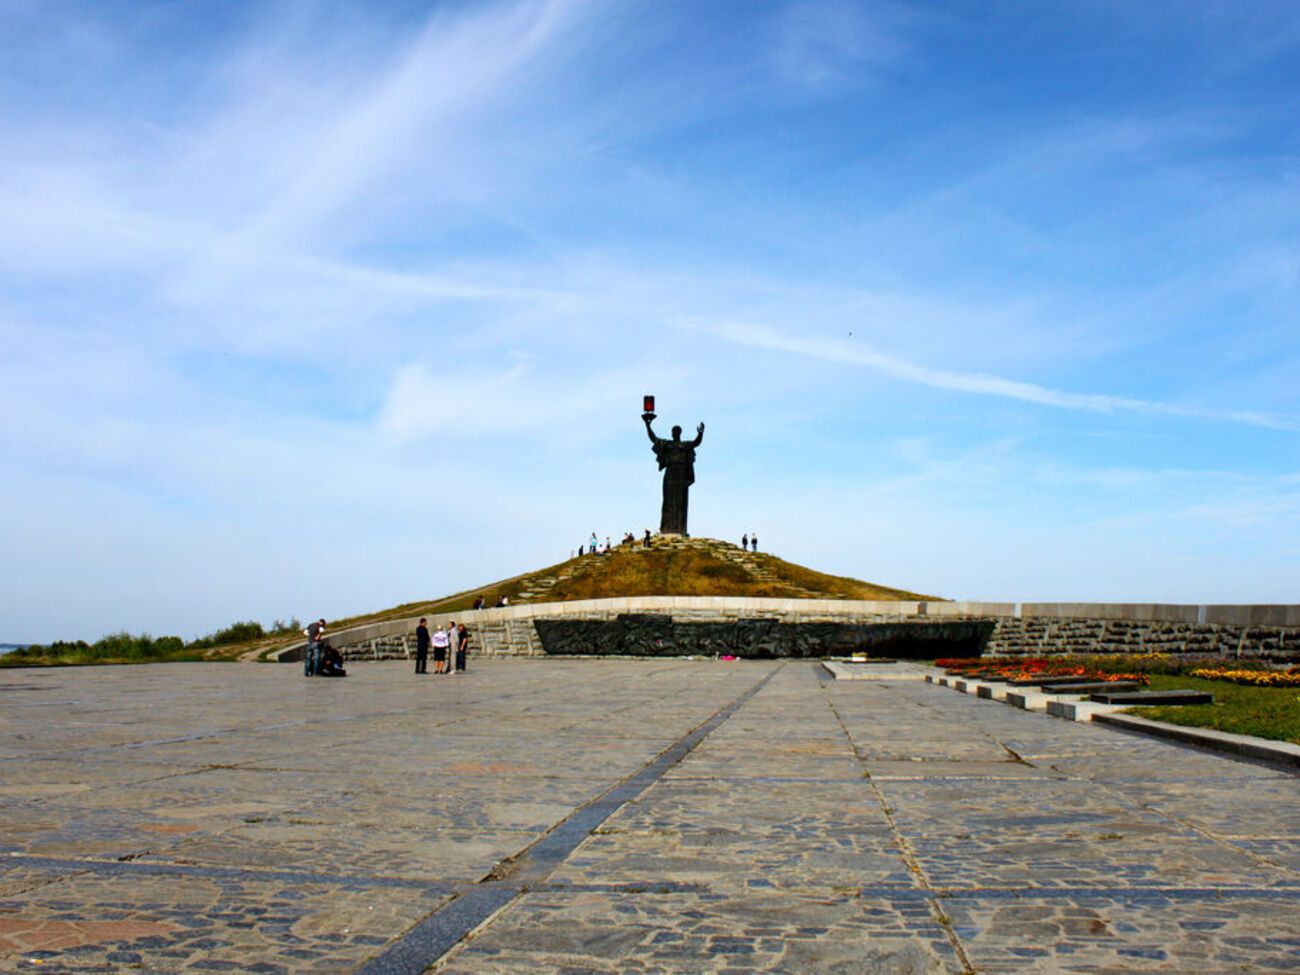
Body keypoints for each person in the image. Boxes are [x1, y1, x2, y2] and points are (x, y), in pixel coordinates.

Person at [642, 414, 705, 535]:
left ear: (679, 433)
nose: (674, 433)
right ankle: (666, 528)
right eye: (673, 431)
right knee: (668, 501)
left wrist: (700, 433)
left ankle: (680, 529)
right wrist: (647, 425)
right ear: (672, 433)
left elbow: (696, 442)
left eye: (676, 431)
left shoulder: (684, 445)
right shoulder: (667, 445)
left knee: (681, 502)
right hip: (670, 473)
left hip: (681, 474)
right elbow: (653, 438)